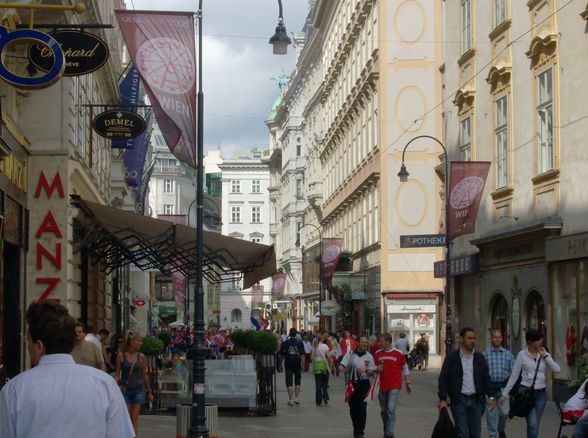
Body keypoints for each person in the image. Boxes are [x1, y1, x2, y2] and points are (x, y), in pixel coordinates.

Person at [0, 301, 134, 438]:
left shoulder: (14, 390)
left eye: (28, 341)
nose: (28, 346)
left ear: (39, 346)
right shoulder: (105, 384)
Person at [499, 329, 560, 438]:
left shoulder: (544, 353)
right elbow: (514, 375)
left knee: (535, 425)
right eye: (537, 340)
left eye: (540, 340)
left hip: (541, 394)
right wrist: (505, 394)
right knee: (532, 424)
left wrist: (545, 356)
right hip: (526, 393)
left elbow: (557, 369)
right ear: (530, 341)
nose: (540, 342)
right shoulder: (522, 355)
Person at [438, 327, 495, 438]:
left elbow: (486, 378)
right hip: (459, 400)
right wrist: (443, 399)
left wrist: (491, 396)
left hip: (476, 401)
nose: (472, 341)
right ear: (461, 339)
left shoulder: (479, 358)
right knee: (462, 432)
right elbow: (444, 378)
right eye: (469, 338)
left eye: (474, 338)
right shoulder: (452, 358)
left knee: (475, 433)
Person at [116, 332, 154, 435]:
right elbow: (117, 374)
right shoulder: (121, 355)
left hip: (139, 389)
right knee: (127, 416)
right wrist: (114, 388)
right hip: (125, 389)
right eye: (139, 341)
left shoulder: (141, 357)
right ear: (132, 342)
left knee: (134, 417)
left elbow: (144, 375)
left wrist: (149, 391)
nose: (141, 343)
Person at [374, 332, 411, 438]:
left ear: (388, 342)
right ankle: (387, 430)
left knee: (390, 409)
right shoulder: (377, 354)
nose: (379, 343)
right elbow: (374, 368)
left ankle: (389, 433)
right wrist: (376, 370)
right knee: (383, 411)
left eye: (381, 341)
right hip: (381, 386)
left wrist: (408, 381)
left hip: (394, 386)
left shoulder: (398, 353)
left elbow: (405, 367)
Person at [339, 335, 376, 438]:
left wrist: (367, 370)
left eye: (366, 342)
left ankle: (360, 432)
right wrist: (342, 368)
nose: (364, 344)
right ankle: (356, 429)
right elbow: (342, 366)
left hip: (364, 384)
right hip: (352, 385)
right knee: (353, 408)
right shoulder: (350, 354)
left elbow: (372, 372)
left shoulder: (369, 356)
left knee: (362, 408)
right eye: (362, 342)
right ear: (358, 343)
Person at [483, 329, 515, 438]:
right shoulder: (485, 354)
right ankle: (493, 435)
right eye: (495, 337)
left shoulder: (508, 355)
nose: (497, 339)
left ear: (502, 338)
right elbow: (482, 372)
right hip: (490, 389)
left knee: (504, 413)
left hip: (503, 389)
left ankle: (501, 429)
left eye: (499, 337)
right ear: (491, 339)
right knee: (491, 415)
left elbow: (513, 372)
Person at [279, 327, 305, 406]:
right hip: (297, 364)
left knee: (289, 382)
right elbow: (302, 355)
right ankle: (296, 398)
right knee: (297, 381)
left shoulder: (285, 343)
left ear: (289, 334)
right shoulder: (300, 342)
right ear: (296, 334)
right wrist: (303, 365)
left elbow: (282, 355)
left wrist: (280, 364)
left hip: (288, 364)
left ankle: (290, 400)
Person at [311, 332, 331, 405]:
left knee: (318, 385)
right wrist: (331, 364)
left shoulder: (314, 346)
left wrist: (316, 357)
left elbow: (311, 357)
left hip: (316, 366)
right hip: (324, 366)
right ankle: (325, 397)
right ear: (322, 338)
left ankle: (318, 401)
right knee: (325, 383)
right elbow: (328, 356)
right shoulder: (325, 346)